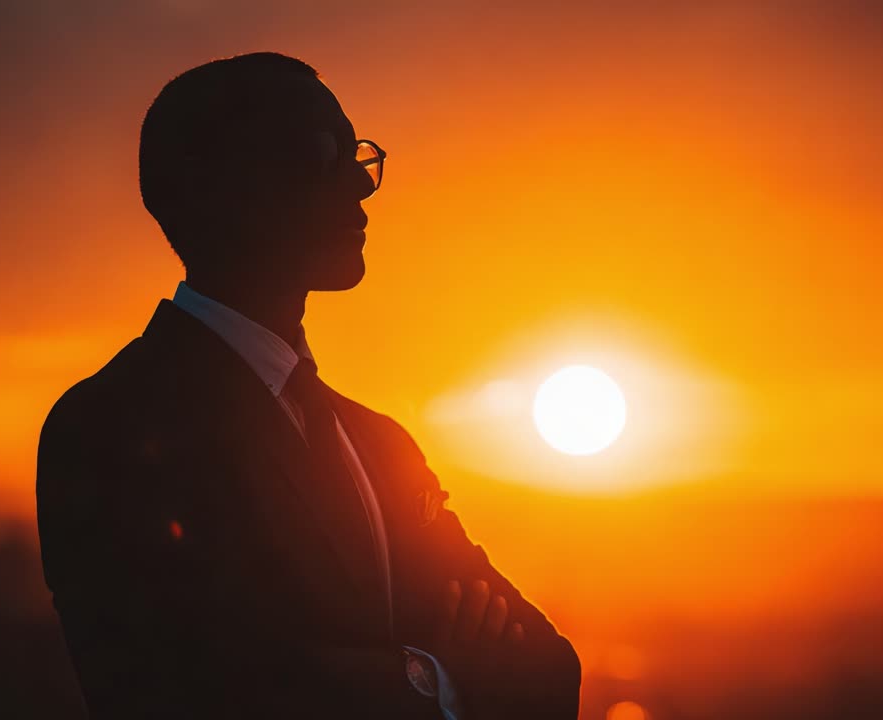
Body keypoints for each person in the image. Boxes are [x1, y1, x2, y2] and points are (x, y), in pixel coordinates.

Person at [35, 52, 581, 719]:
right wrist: (434, 681)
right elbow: (191, 692)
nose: (361, 185)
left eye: (358, 154)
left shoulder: (382, 446)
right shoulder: (108, 428)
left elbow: (550, 669)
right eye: (326, 156)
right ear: (228, 186)